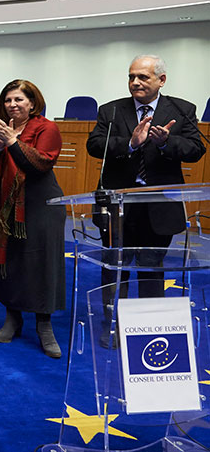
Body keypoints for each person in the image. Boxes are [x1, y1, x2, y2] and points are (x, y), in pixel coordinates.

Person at [87, 55, 205, 338]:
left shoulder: (182, 109)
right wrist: (130, 143)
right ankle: (112, 326)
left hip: (159, 206)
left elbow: (195, 149)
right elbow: (95, 145)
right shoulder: (111, 110)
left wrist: (166, 142)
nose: (135, 82)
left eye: (143, 77)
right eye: (131, 77)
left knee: (152, 267)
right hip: (117, 207)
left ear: (161, 80)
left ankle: (147, 328)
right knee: (115, 269)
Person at [0, 79, 66, 359]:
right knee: (10, 262)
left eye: (18, 100)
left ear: (32, 103)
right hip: (4, 208)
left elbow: (39, 164)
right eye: (8, 100)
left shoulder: (46, 127)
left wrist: (13, 142)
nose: (12, 105)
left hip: (40, 205)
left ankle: (44, 324)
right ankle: (12, 317)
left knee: (41, 263)